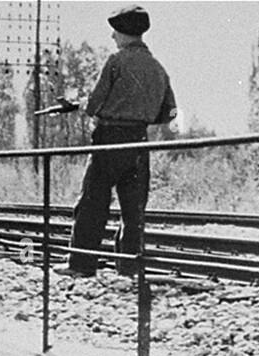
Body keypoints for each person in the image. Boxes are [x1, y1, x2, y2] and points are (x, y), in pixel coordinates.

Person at [61, 5, 177, 279]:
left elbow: (93, 104)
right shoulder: (158, 68)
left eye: (115, 31)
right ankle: (128, 268)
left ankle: (81, 265)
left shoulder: (116, 62)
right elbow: (171, 111)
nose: (113, 36)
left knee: (92, 203)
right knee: (134, 211)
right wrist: (144, 117)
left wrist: (89, 107)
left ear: (124, 33)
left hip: (109, 140)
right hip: (139, 142)